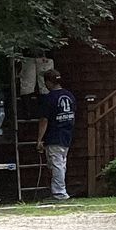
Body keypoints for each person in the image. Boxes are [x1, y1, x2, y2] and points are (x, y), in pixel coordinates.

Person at [35, 70, 77, 201]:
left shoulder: (49, 98)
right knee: (61, 164)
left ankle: (60, 193)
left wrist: (39, 139)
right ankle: (59, 190)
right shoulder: (69, 96)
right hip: (66, 134)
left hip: (54, 135)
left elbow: (44, 120)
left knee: (56, 164)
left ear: (48, 82)